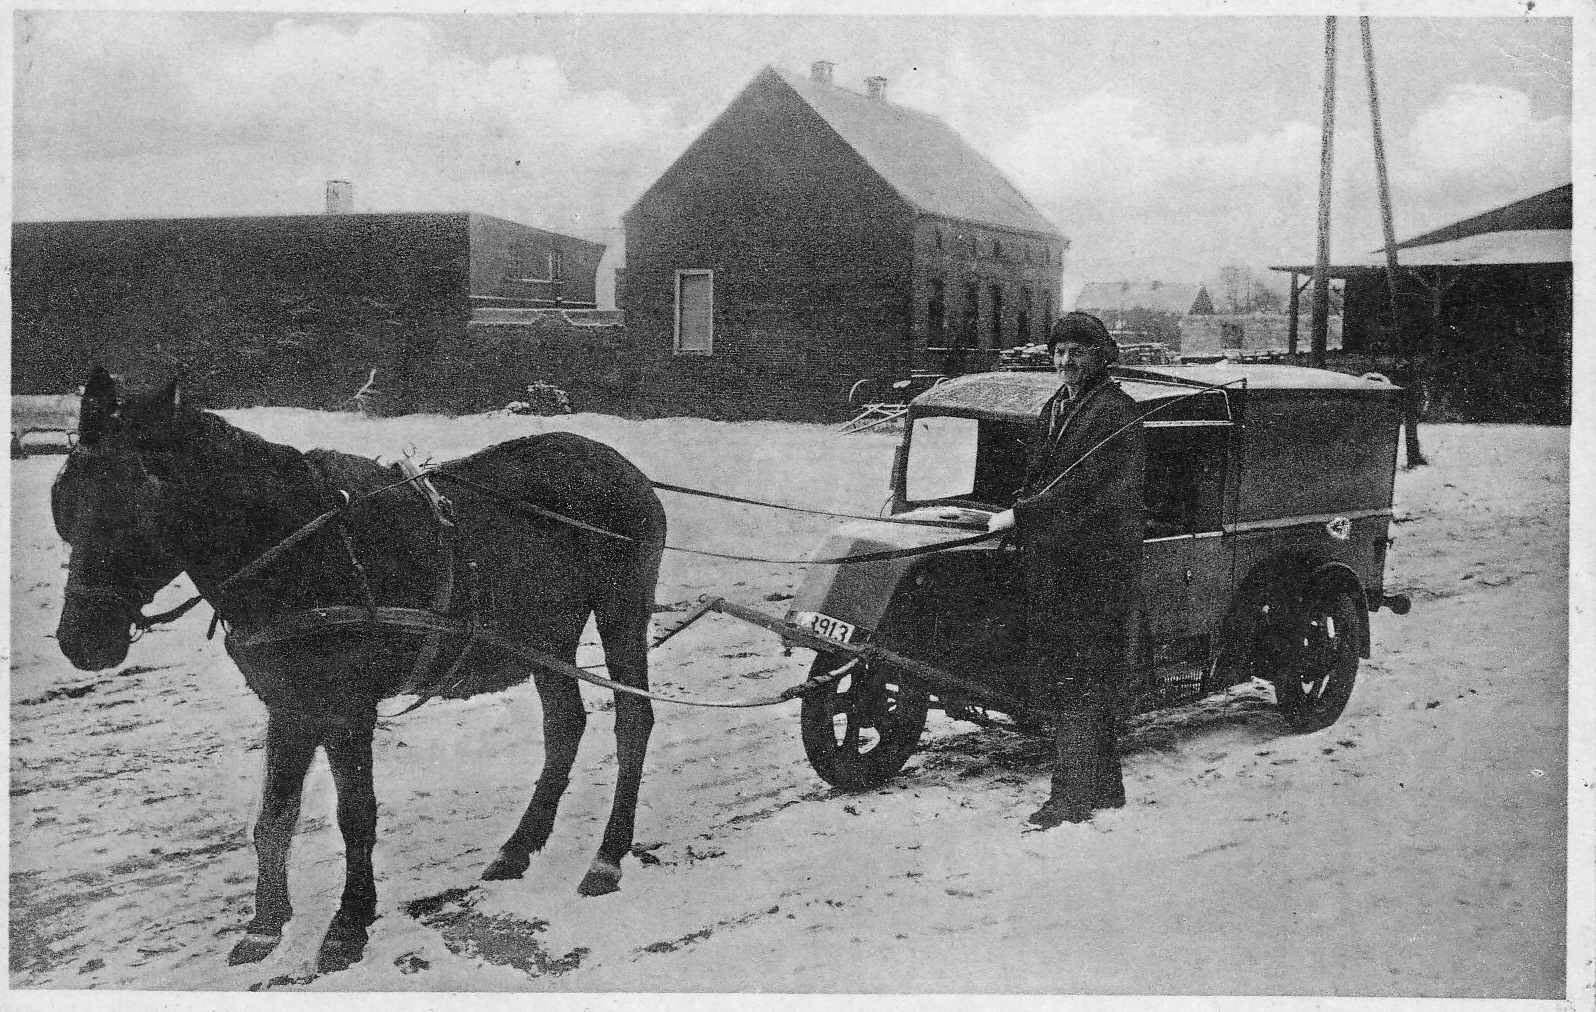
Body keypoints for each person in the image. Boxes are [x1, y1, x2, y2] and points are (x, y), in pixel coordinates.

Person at [987, 312, 1146, 828]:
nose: (1065, 361)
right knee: (1078, 678)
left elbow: (1089, 489)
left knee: (1077, 679)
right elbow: (1039, 474)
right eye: (1058, 352)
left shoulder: (1115, 412)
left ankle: (1070, 799)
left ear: (1101, 356)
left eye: (1076, 352)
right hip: (1058, 561)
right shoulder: (1058, 406)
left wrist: (1024, 514)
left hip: (1096, 567)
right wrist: (1019, 503)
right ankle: (1105, 786)